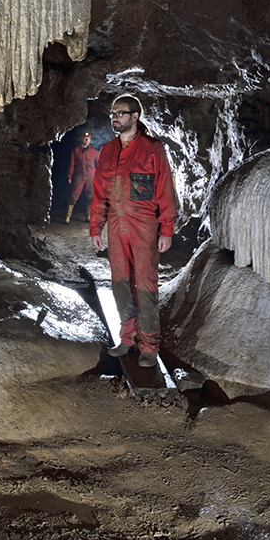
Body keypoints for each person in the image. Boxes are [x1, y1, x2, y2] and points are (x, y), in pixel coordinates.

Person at [88, 95, 177, 367]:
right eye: (113, 113)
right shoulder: (107, 150)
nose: (115, 117)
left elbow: (164, 190)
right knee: (120, 282)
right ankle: (127, 339)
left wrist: (167, 229)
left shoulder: (152, 149)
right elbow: (99, 192)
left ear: (135, 116)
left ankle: (149, 344)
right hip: (116, 224)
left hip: (144, 224)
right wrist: (96, 226)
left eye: (121, 113)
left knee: (146, 283)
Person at [64, 131, 100, 224]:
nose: (86, 141)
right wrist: (69, 175)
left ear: (90, 140)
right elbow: (71, 164)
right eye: (84, 139)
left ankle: (88, 217)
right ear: (81, 139)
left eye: (87, 139)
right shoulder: (75, 150)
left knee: (90, 197)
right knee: (73, 196)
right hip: (79, 176)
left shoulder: (95, 152)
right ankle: (67, 217)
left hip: (91, 177)